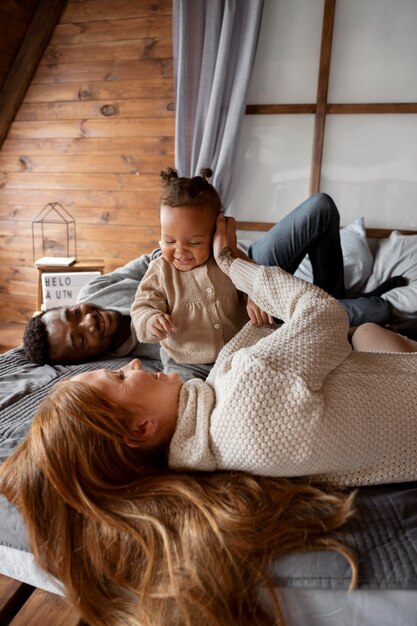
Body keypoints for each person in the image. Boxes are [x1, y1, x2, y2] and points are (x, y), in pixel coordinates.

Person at [23, 192, 399, 366]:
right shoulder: (134, 362)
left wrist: (231, 259)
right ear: (79, 359)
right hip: (257, 322)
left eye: (75, 312)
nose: (89, 320)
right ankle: (348, 302)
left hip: (236, 268)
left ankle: (331, 291)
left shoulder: (97, 288)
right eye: (79, 337)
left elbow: (157, 258)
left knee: (320, 208)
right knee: (375, 312)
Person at [130, 168, 272, 380]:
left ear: (216, 232)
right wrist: (151, 319)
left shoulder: (228, 258)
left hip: (238, 349)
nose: (179, 251)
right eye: (169, 241)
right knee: (186, 394)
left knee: (260, 378)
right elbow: (142, 306)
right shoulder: (161, 271)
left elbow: (255, 281)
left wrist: (255, 297)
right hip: (185, 359)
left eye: (194, 243)